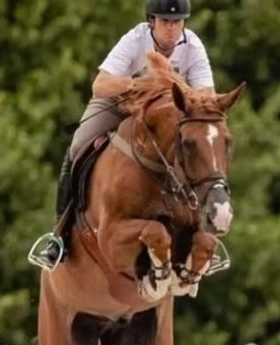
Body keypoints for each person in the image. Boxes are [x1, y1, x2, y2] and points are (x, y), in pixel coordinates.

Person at [35, 0, 216, 270]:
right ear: (151, 21)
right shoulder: (134, 39)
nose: (172, 28)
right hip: (120, 104)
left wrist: (177, 89)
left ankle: (199, 231)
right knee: (78, 145)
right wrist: (140, 84)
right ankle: (59, 234)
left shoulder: (193, 46)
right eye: (165, 21)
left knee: (198, 147)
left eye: (177, 22)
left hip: (165, 112)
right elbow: (100, 85)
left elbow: (207, 96)